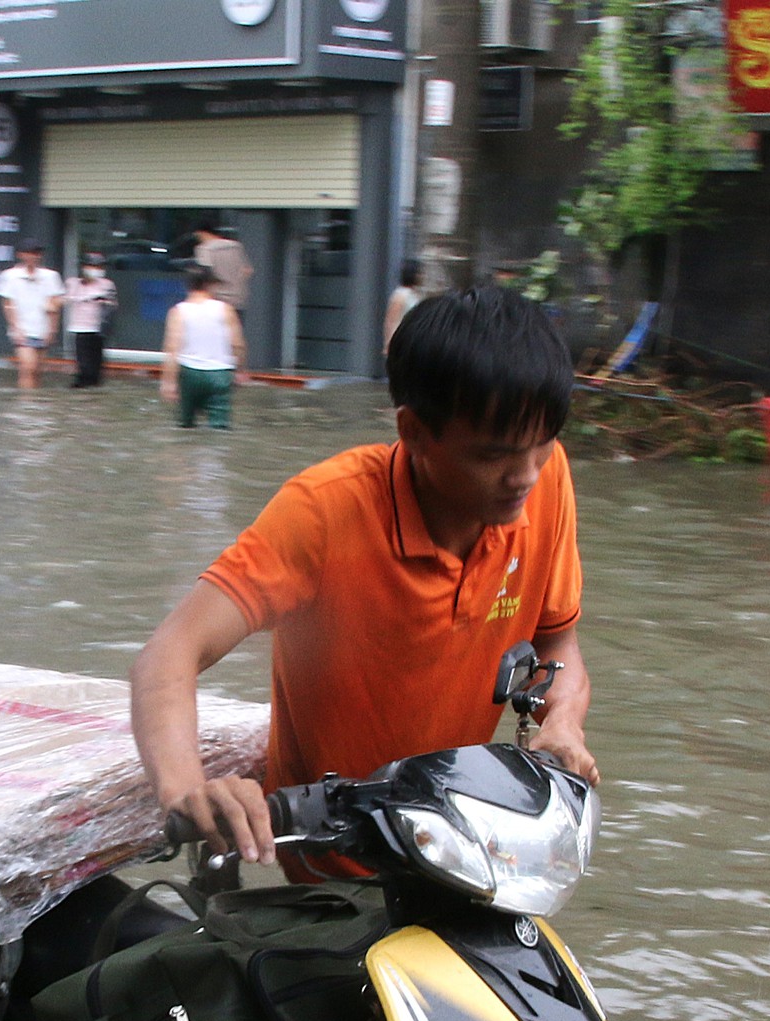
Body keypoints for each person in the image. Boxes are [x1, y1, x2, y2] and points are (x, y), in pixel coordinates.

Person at [131, 286, 595, 866]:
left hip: (461, 844)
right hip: (335, 858)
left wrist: (564, 725)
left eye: (542, 444)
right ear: (414, 432)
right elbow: (170, 653)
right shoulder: (326, 512)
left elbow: (558, 643)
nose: (524, 476)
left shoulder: (545, 484)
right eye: (492, 455)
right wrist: (187, 792)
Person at [161, 267, 244, 431]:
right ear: (209, 285)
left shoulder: (178, 311)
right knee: (220, 430)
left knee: (185, 427)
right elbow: (238, 344)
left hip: (189, 374)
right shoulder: (226, 309)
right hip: (220, 374)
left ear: (188, 286)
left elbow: (172, 348)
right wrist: (240, 370)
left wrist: (168, 382)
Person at [0, 241, 63, 390]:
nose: (31, 257)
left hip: (42, 328)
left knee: (37, 370)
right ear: (20, 255)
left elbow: (55, 304)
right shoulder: (10, 276)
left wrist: (52, 330)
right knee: (28, 367)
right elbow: (8, 303)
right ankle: (26, 402)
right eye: (28, 253)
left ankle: (35, 398)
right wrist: (15, 327)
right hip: (22, 329)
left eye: (35, 253)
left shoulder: (51, 276)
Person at [66, 251, 116, 389]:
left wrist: (104, 301)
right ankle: (82, 385)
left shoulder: (107, 284)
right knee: (83, 363)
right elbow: (68, 299)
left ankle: (93, 386)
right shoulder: (73, 283)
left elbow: (113, 305)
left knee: (96, 364)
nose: (96, 270)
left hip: (98, 329)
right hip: (80, 328)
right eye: (92, 266)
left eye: (99, 267)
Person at [191, 221, 252, 312]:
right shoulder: (235, 246)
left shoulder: (205, 249)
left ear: (202, 233)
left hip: (216, 299)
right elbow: (248, 270)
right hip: (237, 299)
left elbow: (206, 273)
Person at [381, 258, 424, 353]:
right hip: (402, 344)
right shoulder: (400, 295)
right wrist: (390, 343)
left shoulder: (414, 294)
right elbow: (392, 321)